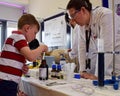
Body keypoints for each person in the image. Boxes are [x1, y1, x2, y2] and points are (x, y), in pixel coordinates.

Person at [66, 0, 120, 80]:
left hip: (116, 64)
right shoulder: (82, 25)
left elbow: (106, 47)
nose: (73, 21)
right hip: (102, 68)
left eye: (73, 16)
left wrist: (97, 76)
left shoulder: (105, 15)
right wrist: (82, 71)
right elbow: (82, 48)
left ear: (83, 10)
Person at [0, 14, 48, 96]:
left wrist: (21, 67)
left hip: (7, 81)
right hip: (6, 81)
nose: (35, 36)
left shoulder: (16, 38)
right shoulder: (19, 37)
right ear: (27, 28)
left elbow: (12, 61)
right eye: (35, 33)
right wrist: (42, 47)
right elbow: (31, 57)